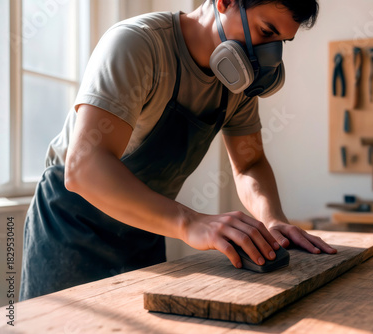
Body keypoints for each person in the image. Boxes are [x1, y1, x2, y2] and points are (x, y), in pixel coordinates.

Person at [20, 0, 336, 301]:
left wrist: (273, 220)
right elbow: (85, 169)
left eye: (282, 41)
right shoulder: (137, 45)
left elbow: (249, 163)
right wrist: (190, 222)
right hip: (71, 227)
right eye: (266, 32)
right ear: (225, 2)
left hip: (146, 226)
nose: (270, 55)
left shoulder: (237, 85)